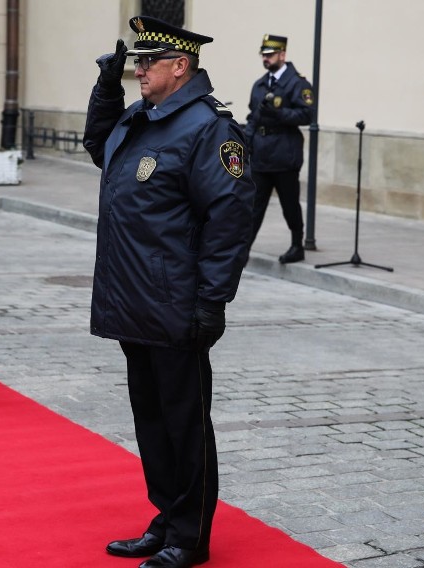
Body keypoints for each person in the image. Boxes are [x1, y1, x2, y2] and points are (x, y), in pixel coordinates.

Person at [83, 16, 254, 568]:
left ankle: (191, 535)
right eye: (136, 62)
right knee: (151, 420)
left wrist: (212, 300)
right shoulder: (144, 116)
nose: (138, 69)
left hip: (175, 301)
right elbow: (98, 148)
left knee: (184, 421)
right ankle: (165, 517)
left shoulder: (209, 128)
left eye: (146, 62)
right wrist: (106, 90)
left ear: (180, 66)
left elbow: (230, 219)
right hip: (134, 297)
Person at [245, 34, 316, 264]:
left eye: (270, 55)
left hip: (285, 154)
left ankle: (298, 245)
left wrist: (280, 114)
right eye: (264, 55)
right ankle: (242, 251)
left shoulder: (297, 83)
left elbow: (307, 114)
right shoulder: (259, 85)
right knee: (253, 207)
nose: (266, 59)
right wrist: (246, 140)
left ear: (282, 55)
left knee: (289, 205)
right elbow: (253, 117)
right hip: (261, 155)